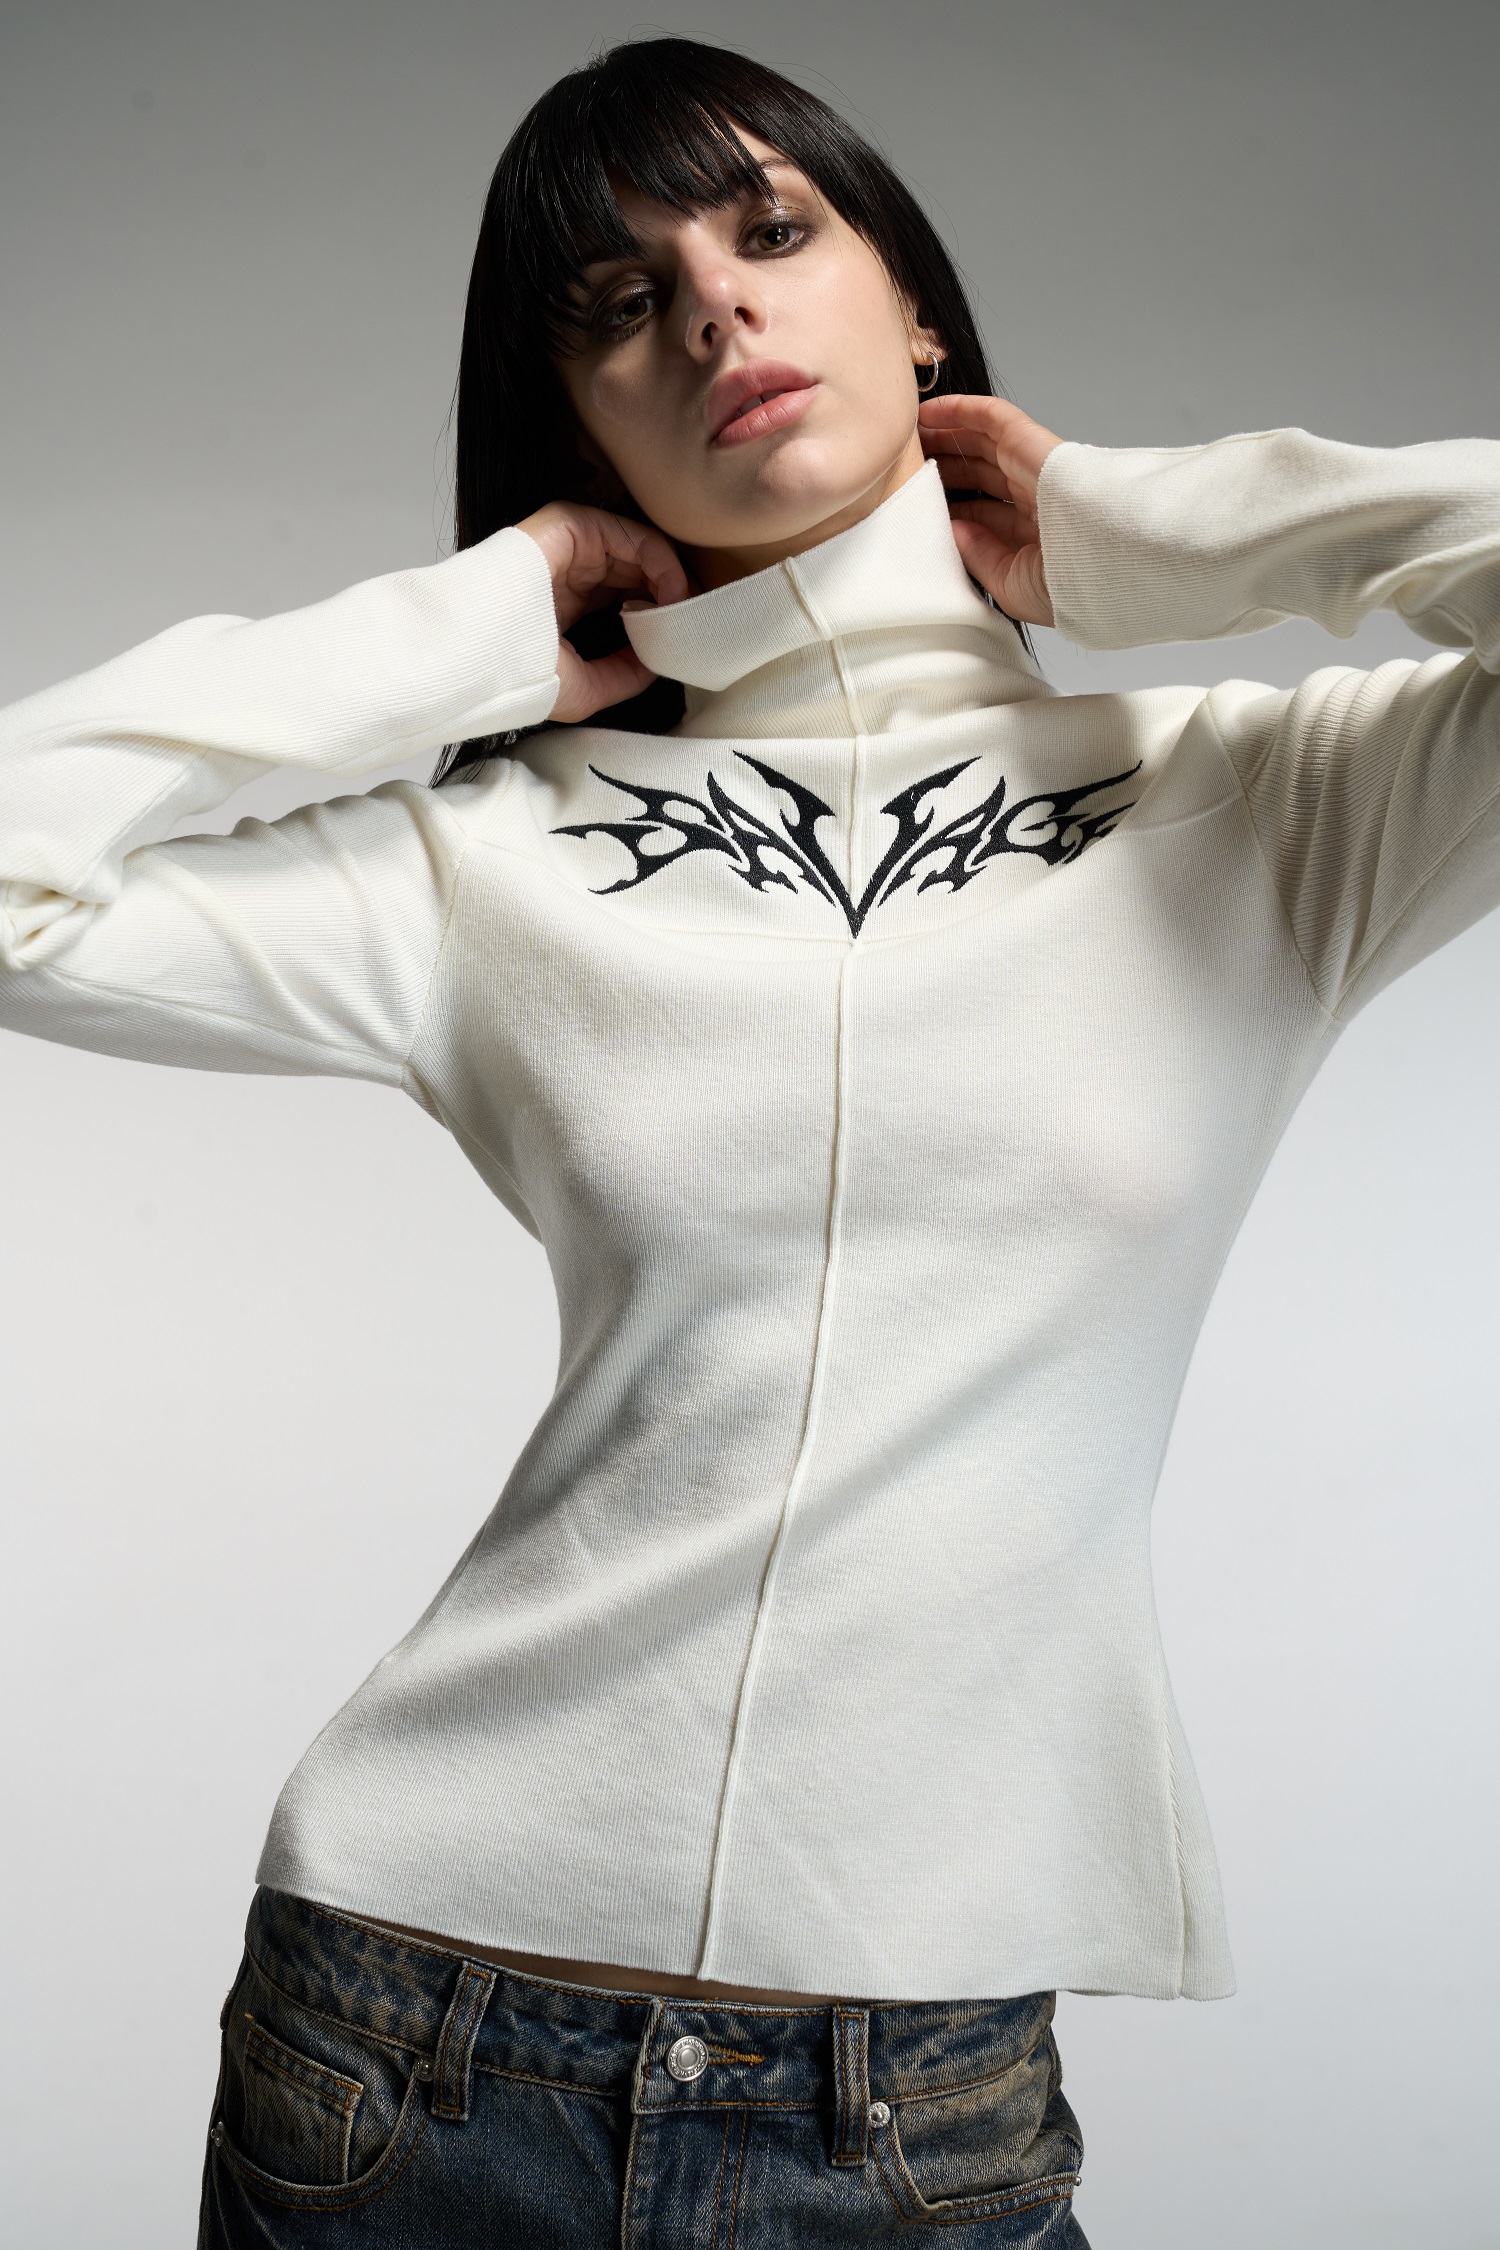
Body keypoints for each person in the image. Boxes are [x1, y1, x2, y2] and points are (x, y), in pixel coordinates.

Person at [2, 32, 1496, 2247]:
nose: (713, 304)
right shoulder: (489, 860)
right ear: (581, 427)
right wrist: (473, 624)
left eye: (773, 230)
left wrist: (1130, 531)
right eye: (621, 303)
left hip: (914, 2093)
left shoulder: (1261, 806)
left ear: (919, 314)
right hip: (411, 2046)